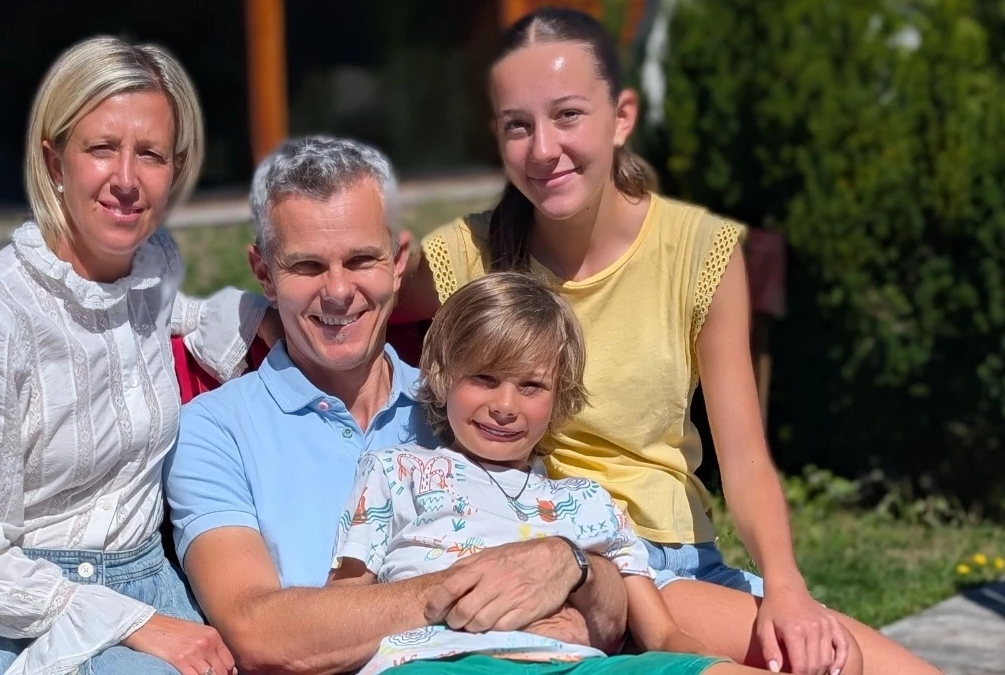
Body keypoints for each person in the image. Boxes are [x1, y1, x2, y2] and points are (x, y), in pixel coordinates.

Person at [393, 8, 939, 675]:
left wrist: (787, 589)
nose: (542, 149)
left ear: (621, 117)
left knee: (873, 665)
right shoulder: (468, 254)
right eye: (519, 125)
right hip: (587, 564)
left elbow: (744, 458)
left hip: (685, 556)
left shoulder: (698, 250)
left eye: (568, 116)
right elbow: (349, 294)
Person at [165, 136, 630, 675]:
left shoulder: (469, 405)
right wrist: (476, 590)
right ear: (265, 274)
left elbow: (594, 594)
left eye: (362, 259)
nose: (338, 291)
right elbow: (259, 633)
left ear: (399, 260)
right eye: (307, 266)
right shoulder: (213, 428)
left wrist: (571, 565)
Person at [0, 36, 270, 675]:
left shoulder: (148, 266)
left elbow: (165, 314)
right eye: (101, 148)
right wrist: (138, 624)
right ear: (54, 161)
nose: (126, 180)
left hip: (148, 584)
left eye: (150, 154)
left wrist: (274, 315)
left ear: (175, 168)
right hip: (16, 615)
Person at [332, 271, 810, 675]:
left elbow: (662, 635)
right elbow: (344, 607)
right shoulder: (398, 471)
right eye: (484, 378)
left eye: (531, 386)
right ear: (441, 374)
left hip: (574, 664)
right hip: (441, 660)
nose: (505, 405)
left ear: (560, 396)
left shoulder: (588, 502)